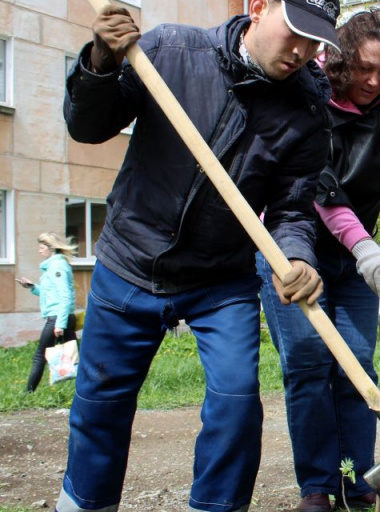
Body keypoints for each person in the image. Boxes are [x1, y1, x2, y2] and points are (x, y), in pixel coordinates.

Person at [58, 0, 340, 510]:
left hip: (220, 281)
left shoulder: (306, 114)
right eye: (294, 31)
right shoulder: (171, 51)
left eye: (315, 40)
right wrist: (101, 61)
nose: (302, 51)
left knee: (236, 407)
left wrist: (298, 256)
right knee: (100, 407)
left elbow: (292, 210)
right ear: (258, 8)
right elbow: (87, 126)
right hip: (130, 261)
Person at [255, 9, 380, 511]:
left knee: (357, 364)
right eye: (364, 68)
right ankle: (318, 487)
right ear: (342, 60)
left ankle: (357, 480)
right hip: (294, 252)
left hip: (356, 262)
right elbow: (320, 187)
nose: (373, 80)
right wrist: (365, 246)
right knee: (308, 362)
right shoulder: (309, 100)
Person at [17, 233, 78, 393]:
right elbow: (49, 293)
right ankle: (87, 390)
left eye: (42, 248)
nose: (39, 251)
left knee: (40, 356)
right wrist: (32, 287)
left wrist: (59, 324)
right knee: (73, 357)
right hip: (60, 316)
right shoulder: (53, 266)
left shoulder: (57, 267)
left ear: (51, 248)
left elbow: (65, 296)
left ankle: (27, 394)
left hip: (58, 317)